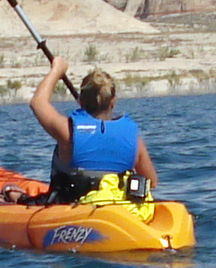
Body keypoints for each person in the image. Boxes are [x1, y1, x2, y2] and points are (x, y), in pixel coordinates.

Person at [29, 56, 156, 204]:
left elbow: (37, 102)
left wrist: (57, 70)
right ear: (113, 102)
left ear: (81, 101)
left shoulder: (67, 131)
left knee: (13, 193)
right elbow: (151, 182)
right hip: (119, 209)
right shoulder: (135, 140)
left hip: (72, 208)